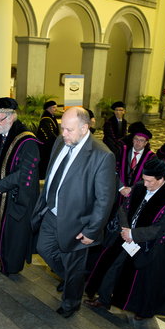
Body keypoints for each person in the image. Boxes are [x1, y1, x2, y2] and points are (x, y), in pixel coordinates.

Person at [31, 107, 116, 318]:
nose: (64, 134)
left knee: (74, 264)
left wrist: (92, 231)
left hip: (79, 224)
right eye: (62, 128)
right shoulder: (62, 142)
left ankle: (71, 304)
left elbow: (104, 200)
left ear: (85, 128)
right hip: (52, 213)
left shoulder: (102, 155)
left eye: (69, 130)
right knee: (43, 249)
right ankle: (74, 279)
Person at [85, 158, 165, 320]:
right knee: (112, 268)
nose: (145, 184)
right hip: (126, 238)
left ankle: (142, 310)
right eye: (144, 179)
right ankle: (103, 299)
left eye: (149, 181)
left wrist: (133, 234)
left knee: (143, 281)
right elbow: (123, 209)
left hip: (150, 247)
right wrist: (125, 230)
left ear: (161, 179)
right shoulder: (139, 187)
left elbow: (161, 229)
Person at [0, 97, 40, 275]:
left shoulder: (27, 140)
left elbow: (26, 172)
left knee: (13, 235)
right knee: (0, 231)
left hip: (16, 196)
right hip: (0, 193)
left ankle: (12, 267)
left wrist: (1, 185)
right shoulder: (2, 133)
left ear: (10, 117)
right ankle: (2, 259)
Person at [117, 122, 155, 200]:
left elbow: (150, 178)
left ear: (146, 143)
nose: (138, 142)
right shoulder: (122, 151)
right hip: (118, 190)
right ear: (132, 140)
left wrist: (131, 189)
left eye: (141, 140)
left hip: (138, 192)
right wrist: (121, 188)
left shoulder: (151, 157)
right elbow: (113, 170)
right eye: (136, 139)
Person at [36, 100, 59, 179]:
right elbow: (49, 134)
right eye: (53, 107)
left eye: (56, 107)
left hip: (50, 145)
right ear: (48, 108)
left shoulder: (51, 117)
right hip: (46, 147)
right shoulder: (46, 119)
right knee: (45, 162)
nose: (55, 109)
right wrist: (58, 140)